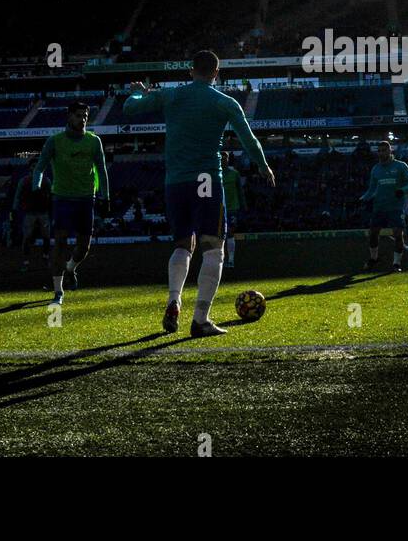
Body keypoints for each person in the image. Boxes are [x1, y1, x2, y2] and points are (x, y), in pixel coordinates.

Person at [123, 50, 275, 337]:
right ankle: (201, 319)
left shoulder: (171, 95)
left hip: (175, 181)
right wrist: (263, 166)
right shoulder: (224, 102)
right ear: (216, 73)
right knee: (213, 246)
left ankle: (173, 300)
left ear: (191, 71)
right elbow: (249, 140)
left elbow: (130, 109)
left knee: (182, 244)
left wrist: (138, 93)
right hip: (206, 178)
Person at [32, 101, 110, 305]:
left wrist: (106, 196)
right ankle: (58, 291)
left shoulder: (94, 141)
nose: (82, 119)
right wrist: (36, 186)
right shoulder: (54, 141)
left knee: (84, 247)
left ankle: (70, 268)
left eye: (85, 115)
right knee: (61, 241)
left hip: (86, 199)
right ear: (69, 117)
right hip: (62, 198)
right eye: (78, 115)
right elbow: (39, 167)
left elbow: (101, 170)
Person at [360, 140, 408, 272]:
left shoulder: (401, 166)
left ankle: (396, 264)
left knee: (398, 234)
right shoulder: (375, 169)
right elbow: (371, 189)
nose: (381, 153)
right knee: (373, 233)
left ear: (390, 151)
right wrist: (363, 198)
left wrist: (402, 190)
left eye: (384, 150)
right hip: (379, 207)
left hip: (395, 208)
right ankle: (374, 258)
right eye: (379, 151)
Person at [12, 160, 52, 272]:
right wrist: (14, 209)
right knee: (27, 237)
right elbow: (18, 196)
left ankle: (45, 257)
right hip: (30, 213)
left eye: (37, 165)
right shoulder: (24, 181)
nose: (35, 167)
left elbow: (51, 196)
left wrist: (52, 210)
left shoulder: (46, 181)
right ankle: (25, 261)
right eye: (33, 165)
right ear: (29, 167)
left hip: (43, 213)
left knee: (46, 237)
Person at [221, 151, 244, 268]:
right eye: (221, 158)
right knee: (219, 235)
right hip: (219, 209)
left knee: (230, 233)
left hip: (232, 208)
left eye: (225, 158)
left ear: (228, 159)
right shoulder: (215, 174)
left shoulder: (234, 174)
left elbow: (240, 191)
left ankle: (231, 260)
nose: (223, 160)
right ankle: (221, 260)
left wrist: (243, 205)